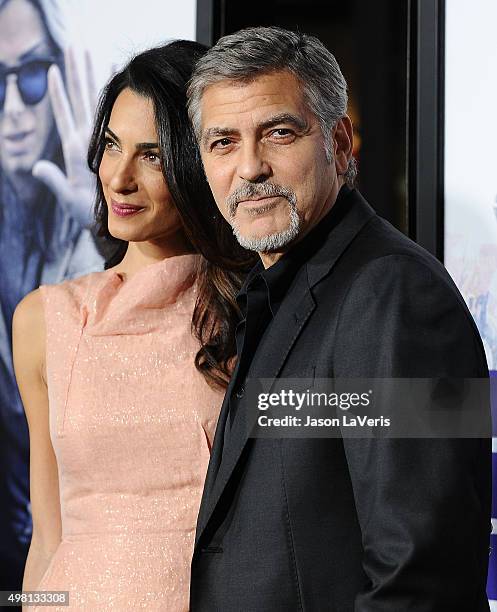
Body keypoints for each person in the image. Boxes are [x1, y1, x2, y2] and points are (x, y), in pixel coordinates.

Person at [186, 26, 493, 610]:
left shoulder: (396, 294)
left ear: (341, 142)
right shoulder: (274, 293)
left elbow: (423, 574)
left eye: (278, 133)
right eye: (222, 142)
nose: (249, 168)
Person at [12, 40, 253, 610]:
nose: (118, 178)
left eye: (152, 155)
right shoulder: (46, 321)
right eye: (111, 147)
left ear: (198, 164)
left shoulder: (250, 309)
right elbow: (48, 538)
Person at [0, 0, 103, 589]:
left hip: (66, 550)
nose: (14, 109)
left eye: (33, 75)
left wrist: (101, 229)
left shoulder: (88, 216)